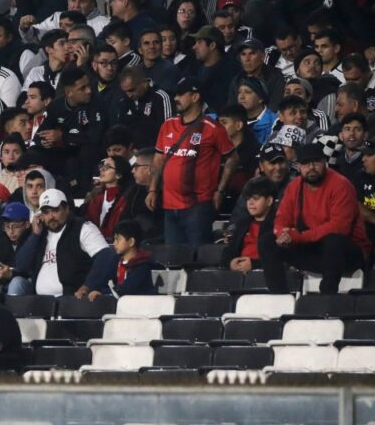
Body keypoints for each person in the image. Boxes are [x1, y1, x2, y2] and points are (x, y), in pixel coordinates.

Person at [258, 143, 371, 294]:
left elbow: (339, 227)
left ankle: (326, 296)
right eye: (305, 163)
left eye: (315, 162)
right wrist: (281, 234)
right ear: (298, 166)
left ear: (324, 162)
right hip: (314, 249)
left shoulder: (341, 185)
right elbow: (282, 218)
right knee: (267, 241)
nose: (311, 167)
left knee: (334, 240)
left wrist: (299, 237)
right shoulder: (294, 186)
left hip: (346, 254)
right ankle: (280, 296)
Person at [149, 78, 238, 246]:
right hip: (169, 204)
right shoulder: (167, 126)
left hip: (198, 205)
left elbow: (232, 158)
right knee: (173, 259)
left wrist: (220, 190)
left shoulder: (213, 129)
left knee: (196, 258)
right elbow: (159, 159)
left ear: (195, 97)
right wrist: (153, 189)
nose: (176, 98)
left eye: (181, 94)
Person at [13, 187, 110, 297]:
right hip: (40, 303)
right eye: (46, 212)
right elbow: (21, 266)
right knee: (16, 283)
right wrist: (35, 235)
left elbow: (105, 256)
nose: (51, 217)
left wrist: (88, 286)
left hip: (72, 301)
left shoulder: (82, 228)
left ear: (66, 209)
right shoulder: (39, 232)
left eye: (55, 210)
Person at [83, 220, 157, 299]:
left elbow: (126, 289)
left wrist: (102, 292)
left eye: (118, 239)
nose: (114, 243)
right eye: (114, 239)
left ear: (131, 242)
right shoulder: (116, 262)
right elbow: (103, 282)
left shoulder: (142, 265)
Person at [223, 177, 277, 273]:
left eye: (256, 199)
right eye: (248, 199)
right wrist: (231, 263)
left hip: (266, 273)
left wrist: (254, 264)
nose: (251, 203)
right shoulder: (242, 224)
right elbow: (228, 252)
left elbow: (281, 257)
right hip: (239, 274)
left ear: (269, 201)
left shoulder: (279, 224)